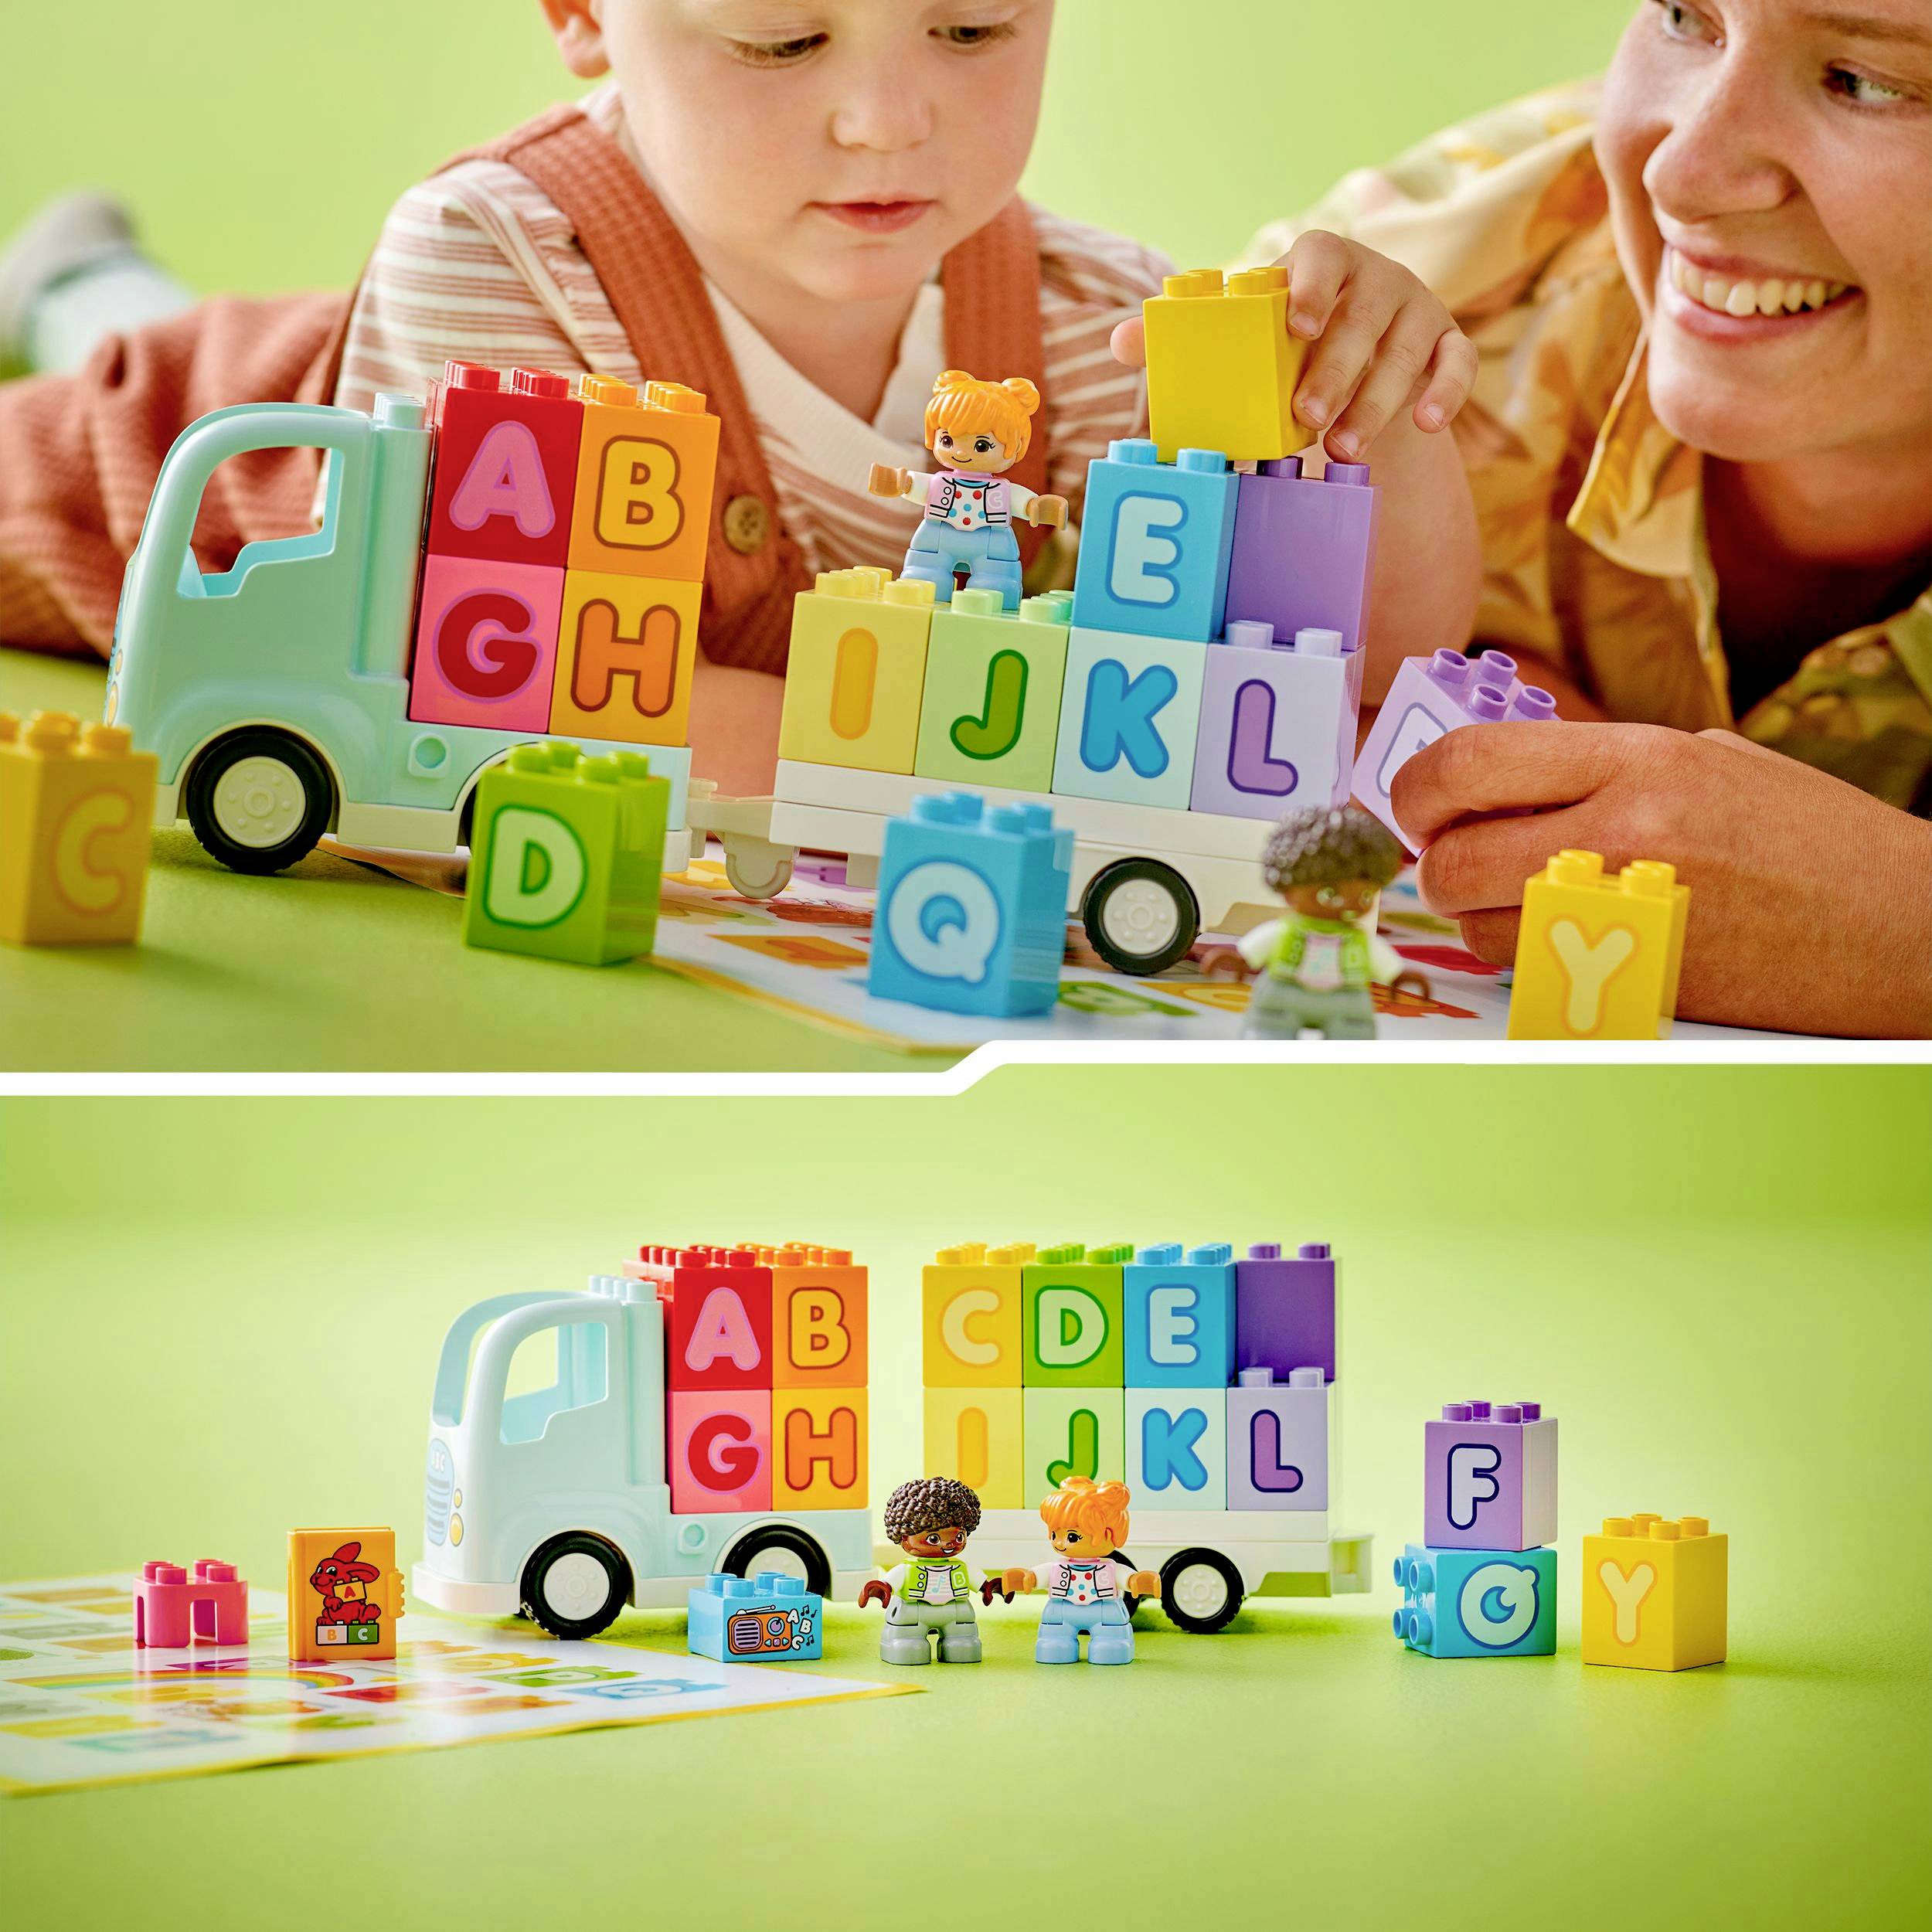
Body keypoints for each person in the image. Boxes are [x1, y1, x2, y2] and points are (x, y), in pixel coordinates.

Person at [0, 1, 1478, 801]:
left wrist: (1377, 405)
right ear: (581, 14)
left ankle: (89, 272)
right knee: (123, 366)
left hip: (383, 350)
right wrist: (1030, 757)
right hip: (206, 440)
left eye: (972, 32)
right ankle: (85, 288)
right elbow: (493, 688)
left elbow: (1358, 672)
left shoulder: (1104, 329)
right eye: (782, 40)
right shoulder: (485, 254)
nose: (888, 120)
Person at [1120, 0, 1932, 1037]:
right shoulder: (1373, 339)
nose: (1680, 174)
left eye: (1864, 82)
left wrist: (1903, 931)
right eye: (1686, 17)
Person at [1012, 1475, 1161, 1666]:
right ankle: (1057, 1645)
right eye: (1054, 1534)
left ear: (1108, 1535)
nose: (1059, 1542)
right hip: (1062, 1612)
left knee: (1110, 1643)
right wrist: (1028, 1578)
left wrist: (1136, 1581)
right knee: (1054, 1642)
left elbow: (1125, 1577)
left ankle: (1110, 1646)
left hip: (1104, 1612)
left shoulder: (1110, 1568)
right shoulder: (1057, 1567)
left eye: (1072, 1536)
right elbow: (1039, 1576)